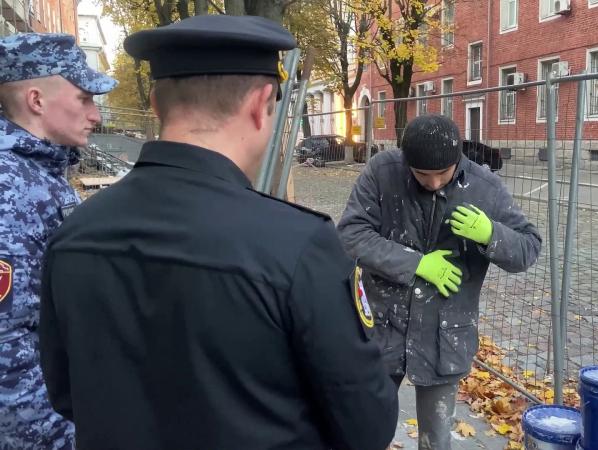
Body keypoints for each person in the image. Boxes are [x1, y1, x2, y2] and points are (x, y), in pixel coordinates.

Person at [38, 15, 398, 450]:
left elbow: (64, 393)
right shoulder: (297, 246)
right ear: (261, 103)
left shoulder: (73, 234)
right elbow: (367, 424)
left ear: (154, 103)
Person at [337, 114, 542, 450]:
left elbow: (529, 248)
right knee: (364, 431)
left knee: (436, 441)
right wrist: (416, 263)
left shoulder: (483, 187)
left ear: (457, 160)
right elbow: (350, 236)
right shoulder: (383, 172)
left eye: (442, 174)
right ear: (406, 163)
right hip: (381, 329)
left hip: (444, 336)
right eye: (421, 175)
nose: (432, 183)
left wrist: (491, 234)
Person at [0, 33, 117, 449]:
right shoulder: (9, 188)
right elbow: (6, 350)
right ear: (36, 101)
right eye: (84, 99)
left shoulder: (38, 175)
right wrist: (63, 440)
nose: (96, 115)